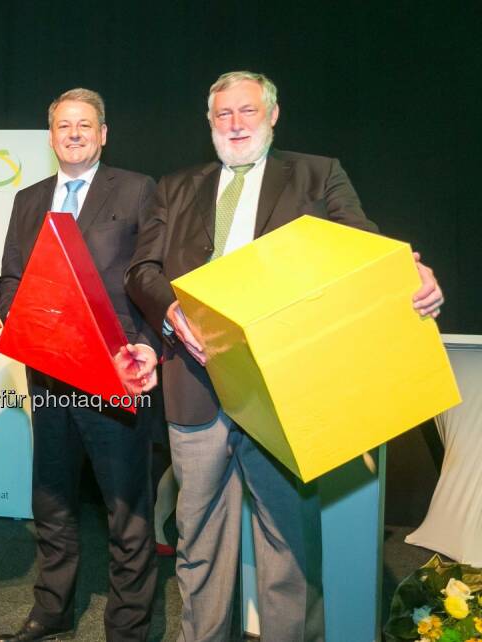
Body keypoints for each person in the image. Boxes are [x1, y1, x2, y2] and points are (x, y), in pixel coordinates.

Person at [124, 70, 444, 641]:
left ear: (273, 115)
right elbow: (142, 270)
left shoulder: (318, 174)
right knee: (198, 545)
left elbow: (362, 249)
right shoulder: (174, 186)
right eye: (223, 114)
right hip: (195, 386)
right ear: (209, 122)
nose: (236, 124)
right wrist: (171, 311)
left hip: (285, 390)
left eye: (248, 111)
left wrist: (412, 273)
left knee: (289, 546)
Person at [0, 88, 160, 642]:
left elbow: (149, 275)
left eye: (84, 125)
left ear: (103, 133)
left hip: (114, 374)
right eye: (63, 125)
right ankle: (51, 610)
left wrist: (138, 350)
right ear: (50, 135)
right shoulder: (29, 198)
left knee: (127, 507)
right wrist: (30, 327)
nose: (73, 133)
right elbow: (11, 278)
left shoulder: (137, 190)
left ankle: (129, 628)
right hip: (47, 374)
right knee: (53, 498)